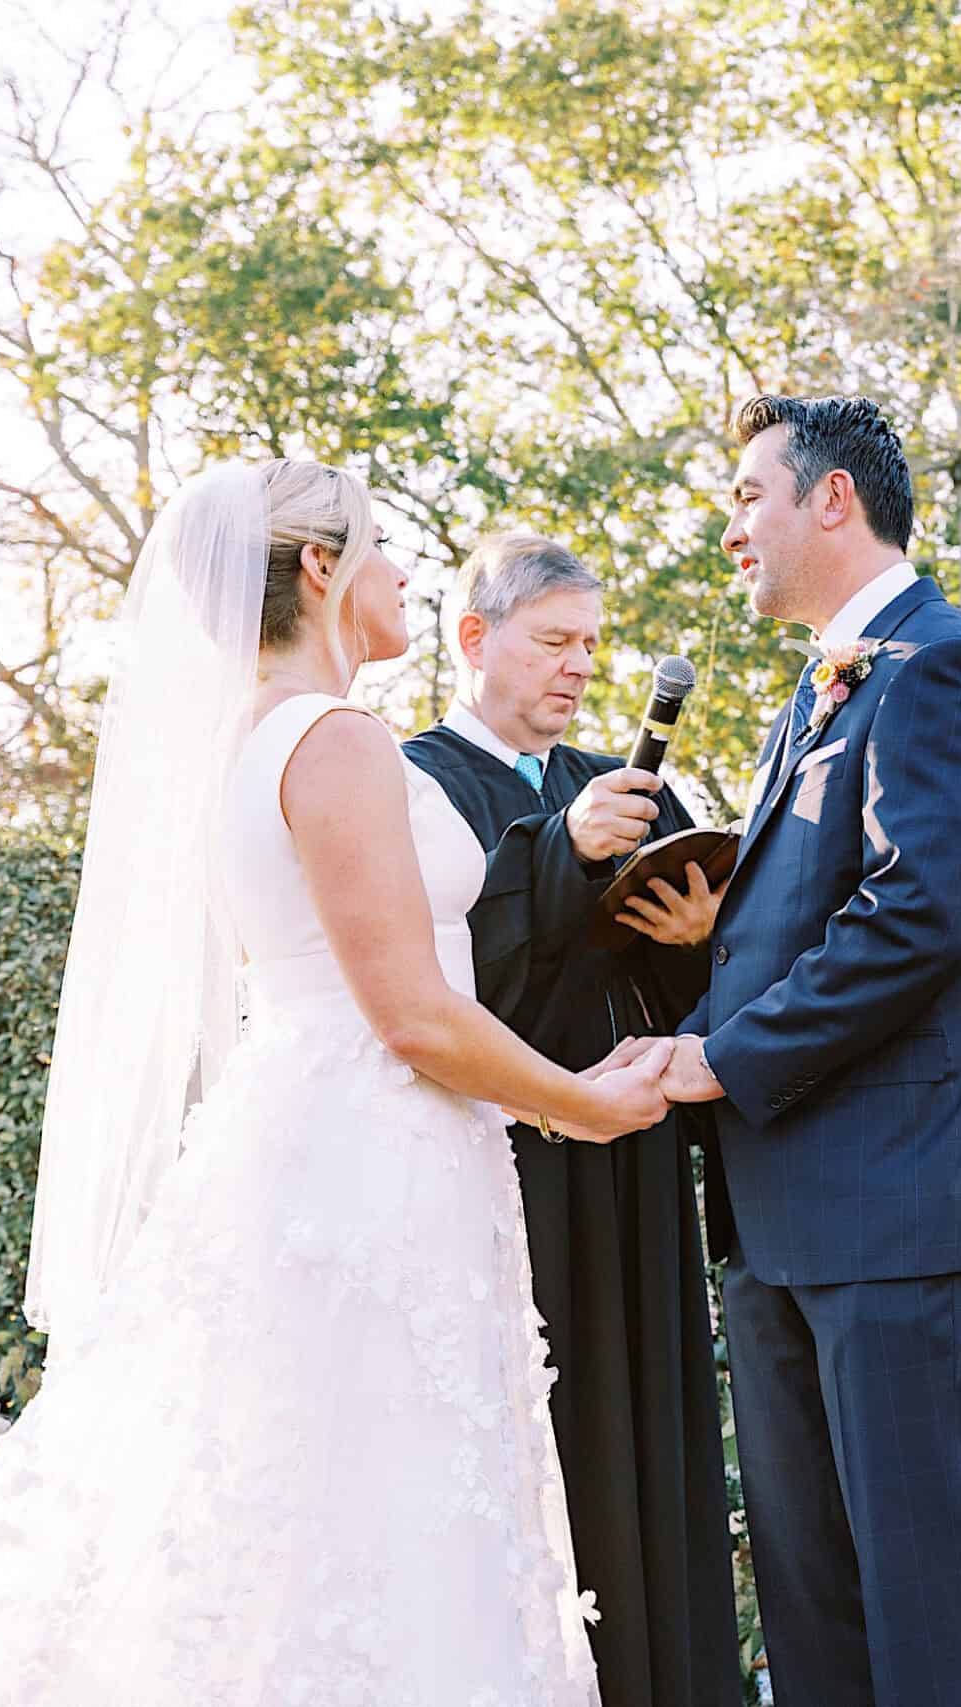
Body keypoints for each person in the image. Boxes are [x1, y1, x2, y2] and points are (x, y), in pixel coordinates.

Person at [0, 459, 670, 1705]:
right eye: (380, 550)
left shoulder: (261, 736)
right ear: (321, 570)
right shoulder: (332, 741)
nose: (403, 575)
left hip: (357, 1143)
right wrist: (585, 1100)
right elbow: (415, 1015)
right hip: (364, 1157)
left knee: (322, 1489)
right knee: (366, 1493)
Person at [652, 394, 961, 1707]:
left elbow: (916, 916)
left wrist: (722, 1058)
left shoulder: (948, 668)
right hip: (777, 1212)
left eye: (748, 494)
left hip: (895, 1206)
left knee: (923, 1597)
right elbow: (789, 924)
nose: (729, 530)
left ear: (831, 499)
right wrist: (688, 1018)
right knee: (813, 1593)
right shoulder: (818, 686)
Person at [403, 533, 742, 1707]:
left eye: (591, 647)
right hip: (513, 1161)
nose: (578, 669)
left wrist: (703, 941)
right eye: (553, 641)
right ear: (473, 637)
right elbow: (430, 991)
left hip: (637, 1165)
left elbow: (712, 989)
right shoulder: (416, 782)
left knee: (656, 1432)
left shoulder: (632, 783)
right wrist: (559, 852)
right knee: (545, 1438)